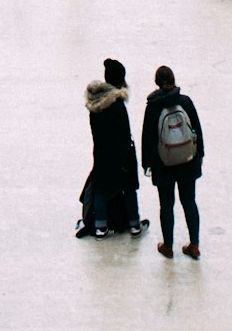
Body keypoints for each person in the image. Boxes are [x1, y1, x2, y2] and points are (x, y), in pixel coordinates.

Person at [77, 59, 147, 240]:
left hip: (101, 154)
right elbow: (124, 134)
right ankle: (134, 224)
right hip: (120, 155)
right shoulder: (116, 105)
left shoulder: (95, 105)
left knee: (101, 187)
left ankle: (100, 226)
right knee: (129, 186)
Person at [141, 65, 203, 259]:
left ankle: (168, 247)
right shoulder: (185, 102)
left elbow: (148, 137)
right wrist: (199, 155)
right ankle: (194, 245)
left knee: (166, 205)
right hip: (187, 160)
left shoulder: (153, 107)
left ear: (157, 82)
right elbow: (197, 131)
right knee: (189, 201)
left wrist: (146, 163)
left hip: (163, 163)